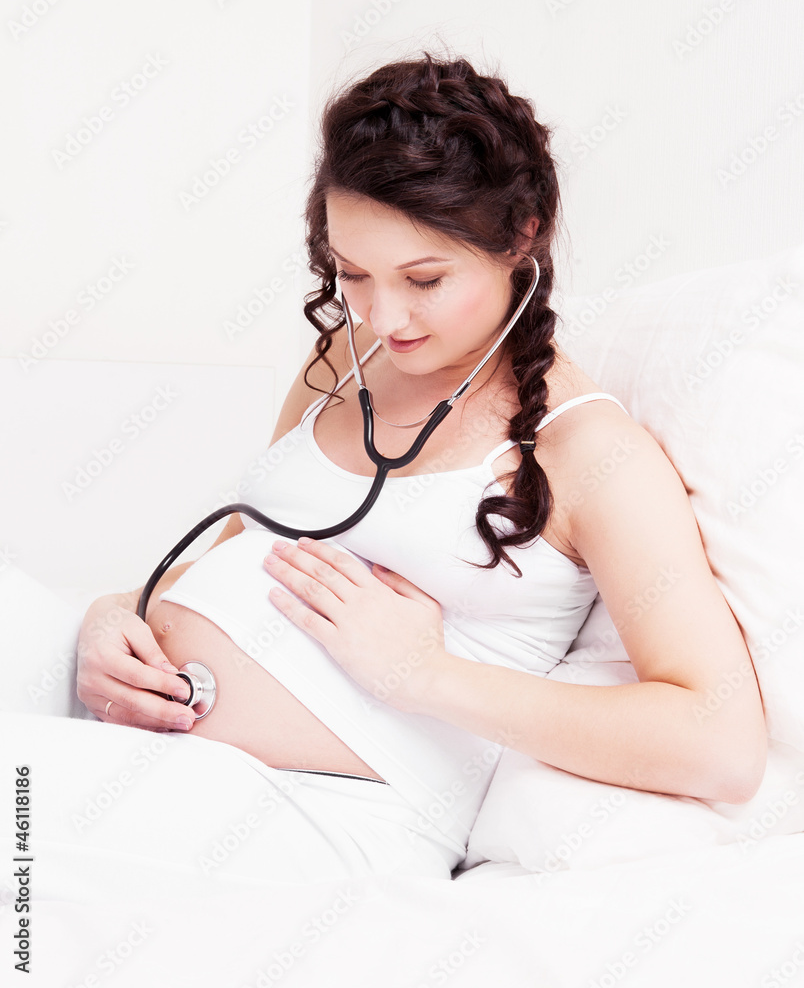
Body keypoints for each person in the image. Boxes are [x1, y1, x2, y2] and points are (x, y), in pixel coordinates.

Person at [75, 51, 768, 883]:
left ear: (521, 235)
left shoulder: (592, 454)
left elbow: (721, 746)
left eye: (425, 279)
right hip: (163, 751)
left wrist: (428, 675)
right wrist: (117, 615)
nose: (384, 316)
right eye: (354, 274)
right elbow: (244, 556)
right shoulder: (342, 362)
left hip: (329, 817)